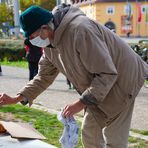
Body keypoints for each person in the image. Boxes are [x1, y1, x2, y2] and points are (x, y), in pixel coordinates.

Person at [0, 4, 148, 148]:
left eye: (32, 36)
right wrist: (17, 98)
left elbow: (106, 74)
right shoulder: (49, 44)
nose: (32, 41)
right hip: (101, 83)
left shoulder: (80, 30)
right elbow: (43, 76)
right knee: (90, 132)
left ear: (44, 28)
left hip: (125, 79)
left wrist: (79, 103)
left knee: (114, 139)